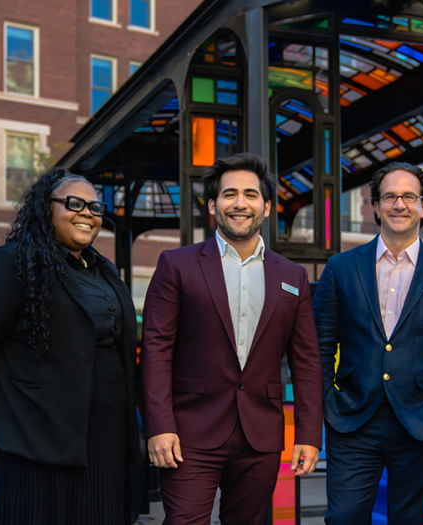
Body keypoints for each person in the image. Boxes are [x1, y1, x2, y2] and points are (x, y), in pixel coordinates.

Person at [141, 152, 322, 525]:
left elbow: (306, 360)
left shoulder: (292, 276)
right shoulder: (176, 265)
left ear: (266, 207)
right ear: (213, 205)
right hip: (189, 433)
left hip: (261, 435)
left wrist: (308, 434)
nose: (240, 203)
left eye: (251, 195)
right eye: (229, 194)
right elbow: (157, 350)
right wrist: (159, 425)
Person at [0, 168, 141, 524]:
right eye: (75, 203)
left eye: (95, 207)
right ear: (46, 207)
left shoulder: (102, 270)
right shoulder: (13, 263)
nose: (87, 213)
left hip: (106, 433)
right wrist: (13, 401)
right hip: (37, 433)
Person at [313, 162, 423, 524]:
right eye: (389, 197)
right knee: (344, 518)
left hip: (421, 420)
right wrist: (326, 399)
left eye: (409, 197)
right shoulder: (340, 268)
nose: (399, 204)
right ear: (375, 205)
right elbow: (320, 345)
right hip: (352, 418)